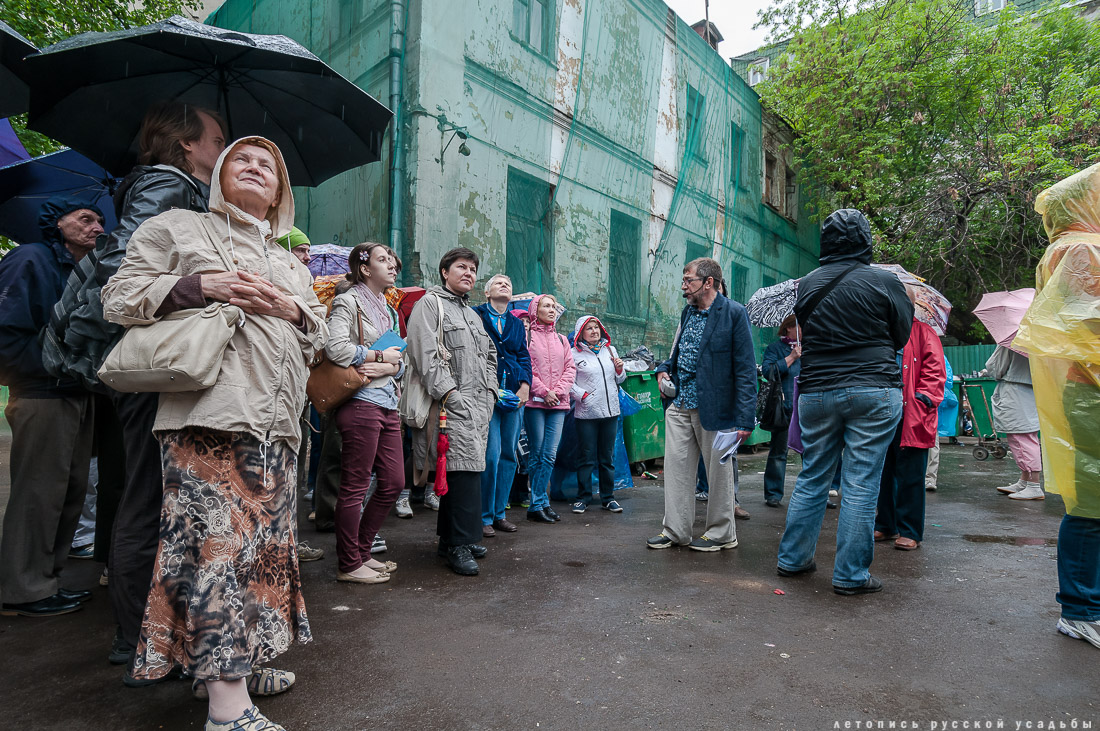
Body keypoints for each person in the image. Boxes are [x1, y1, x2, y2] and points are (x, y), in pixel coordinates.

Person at [102, 136, 327, 730]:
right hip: (209, 419)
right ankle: (228, 712)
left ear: (280, 191)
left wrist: (293, 309)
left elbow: (318, 334)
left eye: (267, 167)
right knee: (217, 555)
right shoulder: (179, 226)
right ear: (218, 174)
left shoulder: (285, 257)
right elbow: (118, 298)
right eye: (241, 161)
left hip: (279, 428)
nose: (255, 170)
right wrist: (205, 286)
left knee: (262, 556)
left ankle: (231, 669)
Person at [42, 101, 225, 673]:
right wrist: (198, 286)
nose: (222, 149)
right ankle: (135, 637)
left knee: (147, 495)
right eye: (216, 139)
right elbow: (125, 271)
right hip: (153, 367)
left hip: (161, 366)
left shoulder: (175, 189)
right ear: (186, 144)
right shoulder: (166, 184)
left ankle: (150, 632)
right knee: (148, 499)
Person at [775, 209, 913, 595]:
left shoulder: (807, 284)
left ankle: (793, 559)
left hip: (817, 391)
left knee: (813, 474)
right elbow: (901, 336)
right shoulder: (885, 281)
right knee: (861, 482)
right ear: (866, 240)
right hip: (873, 389)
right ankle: (851, 574)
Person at [0, 196, 103, 617]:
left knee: (68, 492)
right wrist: (48, 365)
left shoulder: (85, 270)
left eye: (99, 220)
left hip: (75, 394)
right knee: (37, 496)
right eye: (85, 218)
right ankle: (22, 591)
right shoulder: (30, 259)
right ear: (57, 223)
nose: (96, 226)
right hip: (43, 395)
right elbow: (6, 331)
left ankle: (47, 581)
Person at [1014, 162, 1100, 650]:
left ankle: (1086, 603)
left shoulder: (1069, 247)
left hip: (1085, 386)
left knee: (1093, 500)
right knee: (1091, 503)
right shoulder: (1080, 248)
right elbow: (1088, 323)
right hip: (1090, 388)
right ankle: (1081, 608)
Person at [649, 257, 757, 552]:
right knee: (676, 471)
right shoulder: (688, 313)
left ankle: (722, 533)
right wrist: (664, 367)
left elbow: (746, 369)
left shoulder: (734, 313)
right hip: (680, 403)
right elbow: (679, 350)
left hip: (717, 408)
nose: (684, 287)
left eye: (688, 280)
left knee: (719, 474)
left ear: (708, 282)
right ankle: (675, 530)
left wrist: (745, 419)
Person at [406, 248, 497, 576]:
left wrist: (490, 393)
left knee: (469, 470)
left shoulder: (472, 314)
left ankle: (452, 538)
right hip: (449, 404)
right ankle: (459, 544)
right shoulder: (430, 305)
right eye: (462, 266)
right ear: (445, 271)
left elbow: (490, 356)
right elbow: (423, 353)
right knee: (459, 471)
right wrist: (450, 393)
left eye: (473, 268)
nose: (469, 273)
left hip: (479, 404)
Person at [326, 242, 405, 584]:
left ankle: (361, 550)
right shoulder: (348, 300)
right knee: (355, 486)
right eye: (382, 260)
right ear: (364, 268)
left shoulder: (388, 309)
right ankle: (348, 563)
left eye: (392, 260)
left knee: (393, 482)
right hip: (360, 402)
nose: (392, 266)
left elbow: (400, 363)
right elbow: (335, 348)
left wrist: (389, 367)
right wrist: (377, 359)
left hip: (387, 402)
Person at [874, 301, 946, 551]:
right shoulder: (881, 330)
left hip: (913, 413)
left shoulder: (923, 331)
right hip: (883, 411)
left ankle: (910, 530)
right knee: (884, 471)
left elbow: (935, 372)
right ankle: (886, 523)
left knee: (911, 475)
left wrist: (923, 398)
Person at [474, 274, 531, 537]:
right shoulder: (475, 316)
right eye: (498, 283)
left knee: (509, 454)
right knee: (491, 455)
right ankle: (483, 515)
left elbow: (523, 356)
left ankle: (499, 514)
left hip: (513, 395)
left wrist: (525, 386)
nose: (505, 285)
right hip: (487, 394)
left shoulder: (517, 324)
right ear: (487, 293)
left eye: (508, 283)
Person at [523, 294, 576, 524]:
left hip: (558, 404)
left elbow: (570, 369)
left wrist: (559, 392)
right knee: (537, 454)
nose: (552, 310)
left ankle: (540, 503)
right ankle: (538, 503)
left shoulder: (562, 340)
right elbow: (527, 368)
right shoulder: (528, 337)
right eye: (546, 306)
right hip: (535, 402)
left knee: (550, 454)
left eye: (554, 306)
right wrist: (545, 392)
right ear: (536, 310)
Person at [569, 315, 626, 514]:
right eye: (589, 329)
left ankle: (608, 498)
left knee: (607, 457)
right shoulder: (574, 354)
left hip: (610, 411)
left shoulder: (610, 350)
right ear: (580, 333)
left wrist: (620, 369)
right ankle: (583, 498)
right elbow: (568, 381)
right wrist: (582, 395)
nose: (594, 331)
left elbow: (619, 379)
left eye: (596, 327)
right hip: (587, 412)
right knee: (586, 457)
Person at [985, 346, 1043, 500]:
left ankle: (1033, 485)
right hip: (1032, 389)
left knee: (1021, 438)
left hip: (1015, 390)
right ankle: (1025, 481)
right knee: (1027, 435)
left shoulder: (1011, 339)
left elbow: (995, 368)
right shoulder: (1040, 337)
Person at [760, 314, 801, 508]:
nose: (804, 330)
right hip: (783, 408)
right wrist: (791, 358)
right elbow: (768, 372)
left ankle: (815, 494)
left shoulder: (810, 349)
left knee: (811, 453)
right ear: (788, 328)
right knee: (778, 452)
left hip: (806, 408)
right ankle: (773, 494)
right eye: (799, 326)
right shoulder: (775, 349)